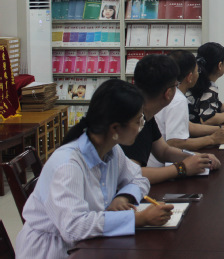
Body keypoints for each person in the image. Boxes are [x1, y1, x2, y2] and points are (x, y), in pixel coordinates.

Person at [15, 80, 174, 259]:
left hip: (92, 244)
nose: (140, 127)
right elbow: (74, 228)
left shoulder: (111, 150)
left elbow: (138, 178)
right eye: (138, 121)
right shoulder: (68, 165)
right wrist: (139, 219)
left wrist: (123, 197)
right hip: (54, 251)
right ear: (115, 128)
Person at [121, 54, 220, 184]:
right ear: (168, 93)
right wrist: (181, 168)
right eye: (175, 85)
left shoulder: (145, 113)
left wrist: (198, 158)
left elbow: (163, 151)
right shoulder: (133, 119)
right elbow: (132, 175)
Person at [148, 50, 224, 167]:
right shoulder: (178, 100)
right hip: (161, 167)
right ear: (189, 77)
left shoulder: (169, 94)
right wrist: (211, 139)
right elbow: (174, 143)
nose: (199, 74)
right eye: (197, 71)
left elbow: (189, 126)